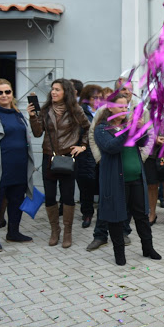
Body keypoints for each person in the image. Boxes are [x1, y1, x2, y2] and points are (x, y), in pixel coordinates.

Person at [94, 93, 161, 265]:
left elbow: (143, 142)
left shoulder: (127, 125)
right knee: (116, 217)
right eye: (121, 106)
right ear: (110, 107)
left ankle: (148, 247)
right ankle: (119, 254)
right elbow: (111, 147)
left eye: (127, 107)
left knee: (142, 216)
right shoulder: (102, 128)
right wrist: (128, 130)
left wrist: (140, 130)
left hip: (137, 177)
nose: (125, 110)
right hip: (115, 181)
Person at [27, 79, 90, 248]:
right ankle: (55, 230)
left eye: (57, 90)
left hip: (68, 157)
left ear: (66, 92)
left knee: (68, 196)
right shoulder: (46, 109)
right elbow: (38, 132)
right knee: (49, 196)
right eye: (52, 89)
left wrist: (82, 146)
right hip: (49, 156)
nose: (53, 92)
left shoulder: (75, 110)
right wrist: (33, 117)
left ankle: (67, 232)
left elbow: (88, 128)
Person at [86, 78, 143, 251]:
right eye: (123, 89)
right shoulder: (105, 111)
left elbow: (146, 136)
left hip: (130, 164)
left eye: (129, 90)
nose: (127, 92)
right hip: (110, 164)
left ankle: (123, 232)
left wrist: (140, 159)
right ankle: (100, 235)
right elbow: (92, 135)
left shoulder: (139, 109)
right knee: (107, 201)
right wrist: (100, 158)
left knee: (128, 204)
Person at [0, 79, 36, 252]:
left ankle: (13, 233)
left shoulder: (18, 113)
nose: (4, 95)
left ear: (12, 93)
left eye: (7, 92)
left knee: (16, 201)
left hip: (19, 167)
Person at [77, 84, 103, 228]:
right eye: (94, 97)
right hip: (85, 154)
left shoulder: (105, 112)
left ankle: (101, 215)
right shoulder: (80, 112)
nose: (98, 100)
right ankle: (87, 214)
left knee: (102, 185)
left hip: (102, 153)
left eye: (100, 97)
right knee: (86, 186)